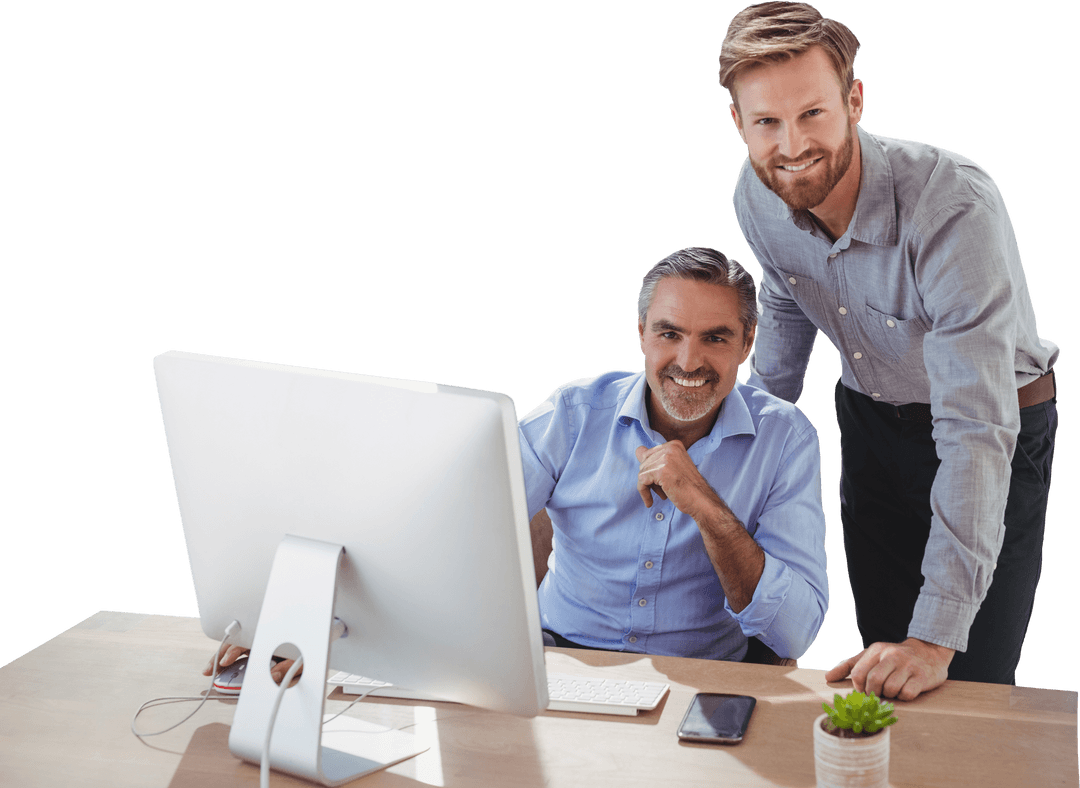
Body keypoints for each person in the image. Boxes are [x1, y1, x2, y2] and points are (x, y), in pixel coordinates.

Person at [718, 2, 1059, 698]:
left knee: (969, 685)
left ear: (854, 99)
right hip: (872, 424)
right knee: (883, 670)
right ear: (739, 124)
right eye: (767, 122)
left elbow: (974, 426)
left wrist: (935, 640)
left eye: (813, 113)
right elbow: (786, 309)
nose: (791, 145)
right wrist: (743, 458)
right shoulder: (756, 193)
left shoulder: (951, 208)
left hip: (992, 426)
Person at [520, 246, 828, 662]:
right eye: (670, 334)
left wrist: (708, 509)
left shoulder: (785, 438)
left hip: (705, 677)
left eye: (715, 338)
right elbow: (470, 523)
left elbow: (795, 631)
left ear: (747, 342)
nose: (688, 361)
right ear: (642, 334)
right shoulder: (573, 414)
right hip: (562, 661)